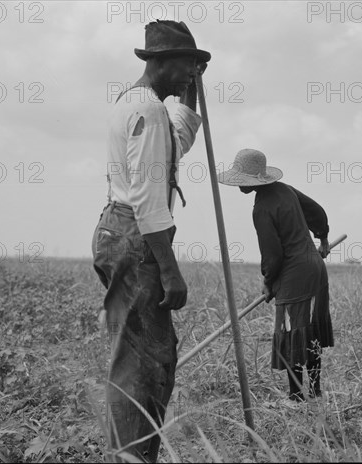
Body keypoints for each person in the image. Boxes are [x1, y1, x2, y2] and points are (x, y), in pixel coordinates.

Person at [91, 20, 210, 462]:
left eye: (196, 68)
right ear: (158, 62)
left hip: (116, 229)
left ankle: (129, 452)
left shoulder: (141, 104)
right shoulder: (148, 111)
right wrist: (169, 268)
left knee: (137, 355)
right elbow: (146, 197)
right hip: (136, 235)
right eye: (185, 65)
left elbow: (180, 134)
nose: (190, 74)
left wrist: (193, 88)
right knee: (144, 361)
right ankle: (132, 457)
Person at [218, 149, 334, 403]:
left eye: (243, 181)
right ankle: (314, 392)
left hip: (295, 275)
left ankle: (296, 397)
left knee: (292, 332)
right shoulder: (286, 190)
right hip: (315, 269)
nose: (240, 186)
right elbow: (316, 210)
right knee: (310, 330)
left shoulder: (261, 208)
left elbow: (273, 255)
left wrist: (268, 282)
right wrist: (322, 236)